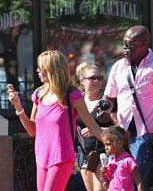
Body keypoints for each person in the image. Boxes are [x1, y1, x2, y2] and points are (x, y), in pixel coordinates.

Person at [7, 50, 103, 191]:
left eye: (42, 67)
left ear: (52, 70)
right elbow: (32, 130)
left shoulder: (73, 95)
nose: (38, 71)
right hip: (41, 156)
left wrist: (117, 144)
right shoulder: (39, 94)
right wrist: (18, 107)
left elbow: (94, 128)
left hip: (62, 157)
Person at [102, 25, 153, 190]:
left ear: (143, 44)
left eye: (129, 45)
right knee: (116, 179)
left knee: (131, 180)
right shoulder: (118, 66)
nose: (125, 48)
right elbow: (109, 96)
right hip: (122, 134)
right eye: (123, 43)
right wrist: (105, 109)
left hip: (148, 132)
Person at [76, 62, 114, 191]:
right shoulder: (77, 100)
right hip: (84, 154)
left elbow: (121, 130)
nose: (97, 81)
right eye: (92, 78)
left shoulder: (108, 102)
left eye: (100, 77)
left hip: (103, 153)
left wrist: (96, 131)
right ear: (82, 81)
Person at [100, 126, 144, 191]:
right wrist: (104, 174)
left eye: (108, 144)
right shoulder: (111, 162)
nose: (105, 148)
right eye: (104, 145)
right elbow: (110, 182)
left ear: (120, 142)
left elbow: (139, 182)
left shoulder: (128, 160)